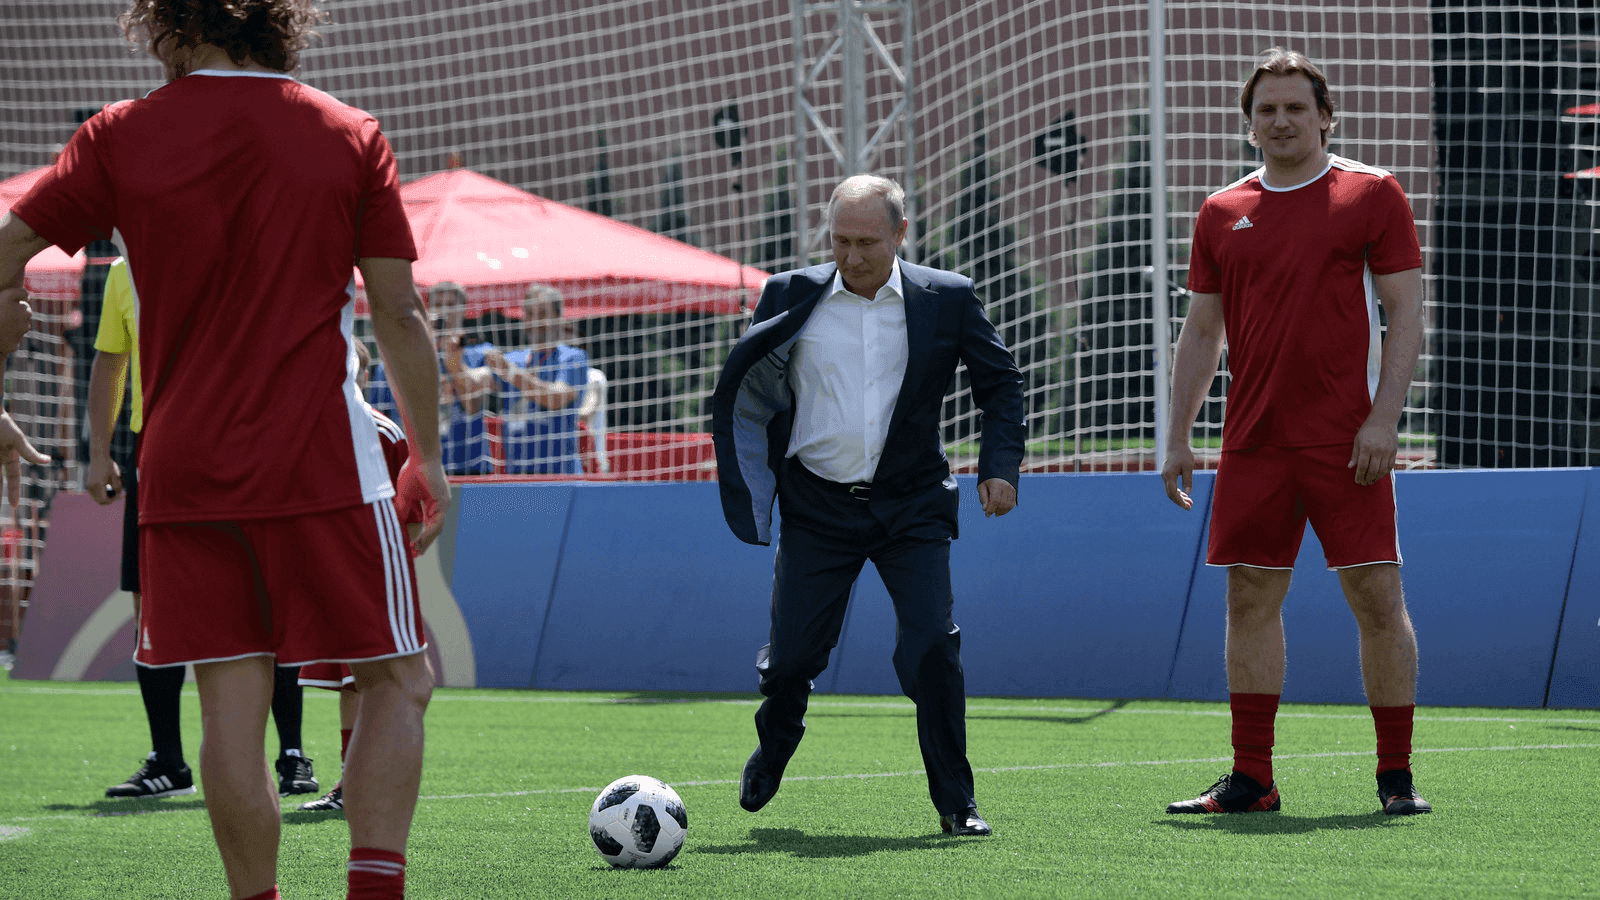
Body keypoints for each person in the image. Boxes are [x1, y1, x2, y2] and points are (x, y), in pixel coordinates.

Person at [2, 3, 451, 899]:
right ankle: (374, 891)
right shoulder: (348, 131)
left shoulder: (117, 135)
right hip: (321, 463)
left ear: (169, 27)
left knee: (230, 715)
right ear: (280, 27)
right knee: (400, 679)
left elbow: (4, 256)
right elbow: (399, 314)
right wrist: (430, 458)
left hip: (182, 474)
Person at [710, 174, 1026, 837]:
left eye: (868, 242)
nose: (852, 257)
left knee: (932, 648)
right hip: (816, 506)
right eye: (841, 241)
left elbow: (1000, 383)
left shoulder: (948, 299)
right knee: (793, 658)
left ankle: (956, 803)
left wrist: (1001, 467)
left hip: (912, 506)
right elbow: (750, 382)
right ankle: (776, 743)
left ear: (901, 235)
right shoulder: (789, 294)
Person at [1160, 48, 1429, 817]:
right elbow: (1201, 331)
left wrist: (1383, 418)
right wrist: (1178, 436)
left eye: (1294, 107)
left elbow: (1406, 313)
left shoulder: (1371, 193)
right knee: (1248, 597)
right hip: (1252, 442)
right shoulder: (1221, 212)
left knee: (1376, 595)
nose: (1280, 120)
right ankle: (1253, 780)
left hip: (1349, 441)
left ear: (1325, 116)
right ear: (1250, 125)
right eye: (1266, 110)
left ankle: (1395, 778)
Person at [87, 258, 320, 802]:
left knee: (268, 604)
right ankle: (168, 758)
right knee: (151, 610)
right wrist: (100, 453)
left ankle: (291, 753)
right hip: (158, 457)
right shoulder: (124, 272)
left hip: (244, 448)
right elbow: (110, 360)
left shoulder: (235, 246)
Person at [299, 339, 420, 814]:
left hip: (370, 569)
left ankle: (369, 783)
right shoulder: (310, 427)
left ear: (363, 378)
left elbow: (406, 508)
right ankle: (352, 784)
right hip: (327, 569)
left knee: (373, 680)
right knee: (348, 684)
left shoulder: (384, 432)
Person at [369, 281, 495, 475]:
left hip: (469, 466)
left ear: (464, 309)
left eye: (451, 305)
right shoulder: (400, 361)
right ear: (427, 311)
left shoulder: (481, 353)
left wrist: (454, 363)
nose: (444, 311)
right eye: (438, 305)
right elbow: (380, 421)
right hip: (414, 469)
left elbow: (473, 406)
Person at [484, 285, 589, 474]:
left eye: (542, 314)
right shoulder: (513, 359)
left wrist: (511, 373)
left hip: (561, 475)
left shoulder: (574, 357)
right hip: (517, 474)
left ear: (559, 319)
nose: (534, 321)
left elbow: (555, 398)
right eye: (530, 314)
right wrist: (455, 360)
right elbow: (476, 382)